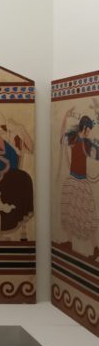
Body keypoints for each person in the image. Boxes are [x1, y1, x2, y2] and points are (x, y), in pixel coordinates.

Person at [59, 111, 99, 259]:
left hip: (81, 182)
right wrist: (64, 117)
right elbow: (61, 138)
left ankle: (96, 247)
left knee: (86, 216)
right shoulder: (75, 139)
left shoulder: (86, 143)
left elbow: (97, 155)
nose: (89, 132)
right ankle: (70, 242)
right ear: (85, 128)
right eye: (89, 129)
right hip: (73, 181)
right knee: (69, 213)